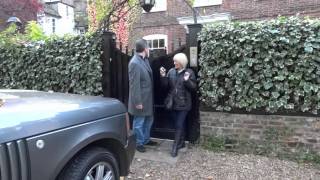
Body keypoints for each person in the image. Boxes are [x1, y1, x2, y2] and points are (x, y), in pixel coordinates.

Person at [160, 53, 197, 157]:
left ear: (181, 62)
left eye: (176, 61)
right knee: (179, 124)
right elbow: (164, 87)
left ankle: (175, 146)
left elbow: (193, 88)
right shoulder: (171, 71)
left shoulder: (189, 72)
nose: (174, 63)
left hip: (184, 104)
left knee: (178, 125)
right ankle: (182, 142)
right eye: (174, 61)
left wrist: (186, 80)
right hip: (172, 104)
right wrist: (163, 76)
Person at [128, 39, 158, 153]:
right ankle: (138, 143)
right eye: (148, 48)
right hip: (140, 100)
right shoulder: (134, 63)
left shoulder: (144, 60)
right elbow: (134, 85)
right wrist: (138, 102)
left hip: (148, 99)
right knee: (139, 122)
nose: (149, 50)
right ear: (145, 49)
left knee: (149, 120)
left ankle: (145, 139)